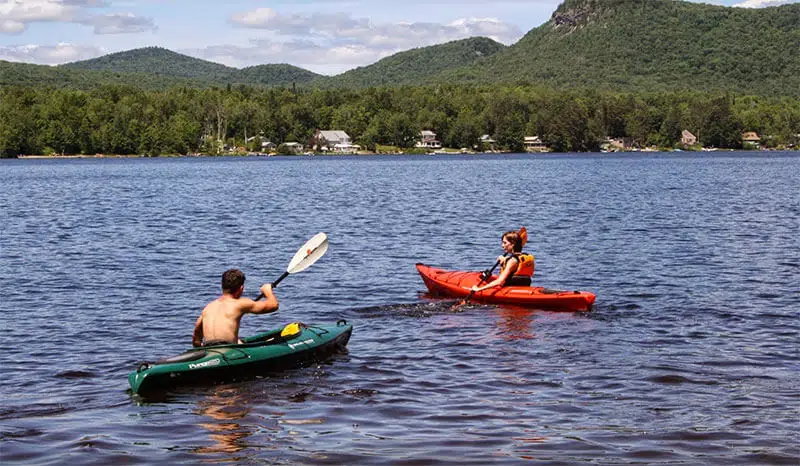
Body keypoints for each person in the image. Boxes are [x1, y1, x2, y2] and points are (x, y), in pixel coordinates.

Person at [192, 268, 279, 347]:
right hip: (227, 350)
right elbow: (273, 305)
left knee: (238, 341)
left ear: (223, 286)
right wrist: (267, 290)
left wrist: (200, 347)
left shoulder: (209, 307)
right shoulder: (240, 303)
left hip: (209, 348)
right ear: (241, 288)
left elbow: (196, 333)